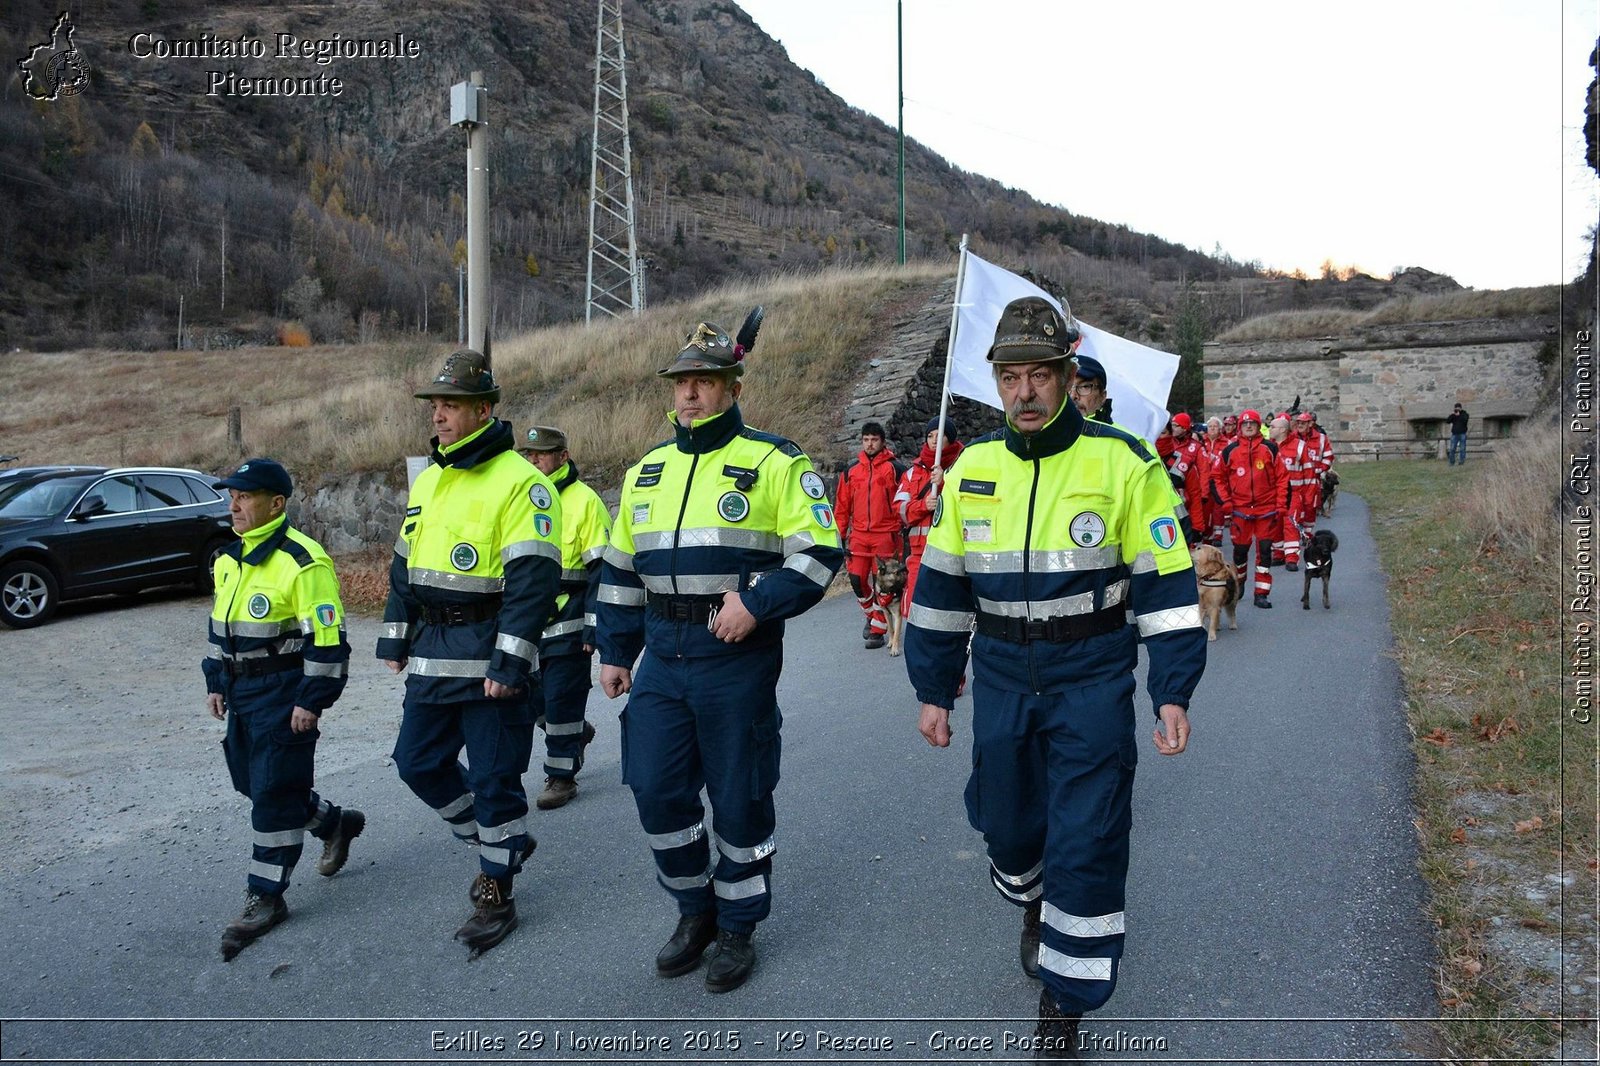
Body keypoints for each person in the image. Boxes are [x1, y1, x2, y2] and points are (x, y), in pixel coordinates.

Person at [903, 297, 1205, 1055]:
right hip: (1001, 681)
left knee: (1088, 836)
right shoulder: (972, 468)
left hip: (1092, 681)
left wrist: (1171, 689)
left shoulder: (1124, 462)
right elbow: (940, 588)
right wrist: (933, 689)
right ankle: (1032, 900)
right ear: (997, 383)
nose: (1027, 390)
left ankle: (1065, 1001)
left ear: (1070, 378)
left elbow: (1167, 585)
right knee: (1007, 828)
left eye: (1041, 374)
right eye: (1012, 376)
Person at [596, 319, 844, 993]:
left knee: (739, 797)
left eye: (705, 382)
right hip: (661, 659)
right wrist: (616, 649)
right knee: (654, 787)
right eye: (682, 384)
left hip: (735, 657)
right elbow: (619, 571)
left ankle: (738, 923)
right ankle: (695, 910)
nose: (691, 395)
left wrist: (758, 603)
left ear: (732, 387)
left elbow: (821, 555)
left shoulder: (775, 461)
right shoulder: (646, 471)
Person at [377, 349, 563, 956]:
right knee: (416, 762)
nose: (438, 416)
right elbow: (405, 565)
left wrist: (511, 662)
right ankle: (497, 841)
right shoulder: (430, 479)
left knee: (493, 778)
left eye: (450, 405)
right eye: (434, 405)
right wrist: (395, 634)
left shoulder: (522, 483)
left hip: (489, 662)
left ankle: (496, 888)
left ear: (484, 409)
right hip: (434, 653)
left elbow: (534, 581)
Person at [203, 457, 362, 960]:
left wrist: (311, 700)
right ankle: (334, 824)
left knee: (271, 792)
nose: (234, 504)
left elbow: (329, 639)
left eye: (245, 496)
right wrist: (216, 681)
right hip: (242, 695)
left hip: (283, 694)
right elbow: (219, 632)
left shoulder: (302, 561)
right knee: (253, 782)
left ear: (276, 503)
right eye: (232, 495)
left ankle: (266, 896)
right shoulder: (229, 560)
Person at [518, 425, 612, 811]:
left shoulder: (585, 502)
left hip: (570, 617)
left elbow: (602, 570)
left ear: (563, 455)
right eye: (529, 455)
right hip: (525, 617)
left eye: (542, 454)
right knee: (521, 691)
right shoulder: (520, 499)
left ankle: (560, 776)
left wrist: (595, 623)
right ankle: (576, 734)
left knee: (561, 697)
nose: (534, 460)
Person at [835, 420, 906, 649]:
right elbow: (842, 507)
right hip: (859, 535)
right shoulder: (852, 470)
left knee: (882, 582)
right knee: (857, 580)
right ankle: (872, 615)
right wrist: (839, 536)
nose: (870, 444)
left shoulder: (895, 468)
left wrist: (901, 527)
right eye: (866, 440)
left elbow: (903, 500)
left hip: (885, 534)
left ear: (882, 442)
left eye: (874, 440)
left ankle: (877, 630)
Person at [1209, 409, 1282, 608]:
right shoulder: (1230, 450)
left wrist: (1281, 506)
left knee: (1265, 551)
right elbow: (1217, 478)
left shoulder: (1270, 449)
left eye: (1253, 423)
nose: (1248, 426)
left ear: (1259, 427)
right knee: (1240, 552)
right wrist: (1226, 502)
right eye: (1245, 424)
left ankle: (1261, 592)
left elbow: (1282, 478)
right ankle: (1239, 583)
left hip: (1266, 510)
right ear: (1240, 427)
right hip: (1240, 511)